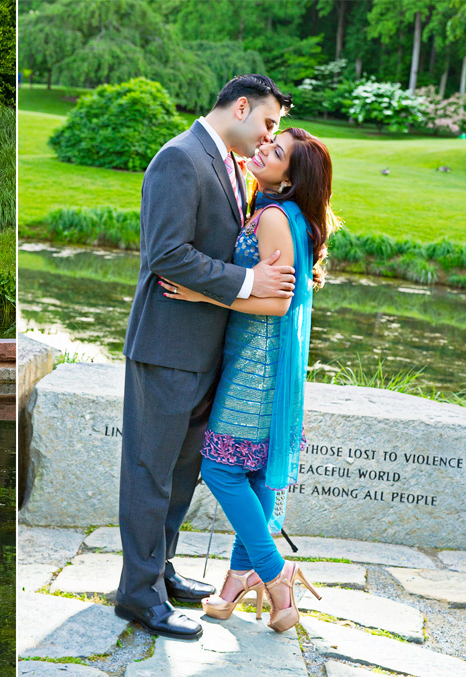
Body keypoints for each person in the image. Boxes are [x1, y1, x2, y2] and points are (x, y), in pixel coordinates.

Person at [116, 74, 295, 640]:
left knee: (181, 473)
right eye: (267, 122)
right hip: (166, 348)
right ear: (240, 106)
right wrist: (248, 278)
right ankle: (136, 596)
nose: (269, 135)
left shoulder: (225, 163)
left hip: (204, 352)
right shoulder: (180, 158)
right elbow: (166, 254)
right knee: (149, 473)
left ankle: (159, 570)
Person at [160, 127, 336, 633]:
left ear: (291, 175)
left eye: (275, 152)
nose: (263, 149)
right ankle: (238, 579)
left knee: (219, 469)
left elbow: (278, 302)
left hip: (256, 364)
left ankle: (277, 575)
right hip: (255, 357)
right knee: (255, 474)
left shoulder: (278, 217)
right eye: (268, 141)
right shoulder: (275, 208)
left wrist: (202, 295)